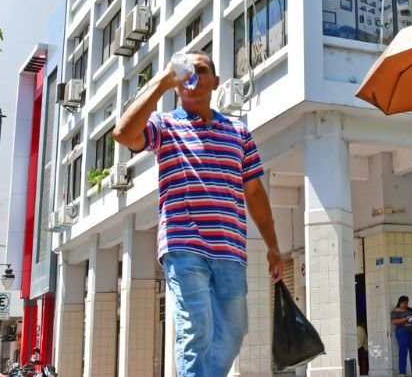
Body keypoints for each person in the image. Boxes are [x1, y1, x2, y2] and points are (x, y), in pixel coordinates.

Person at [112, 51, 283, 377]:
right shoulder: (165, 126)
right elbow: (124, 134)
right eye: (185, 72)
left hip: (231, 250)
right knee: (196, 328)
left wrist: (273, 247)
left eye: (200, 71)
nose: (192, 77)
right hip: (183, 243)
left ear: (216, 82)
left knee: (234, 331)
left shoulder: (238, 132)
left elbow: (255, 194)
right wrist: (162, 81)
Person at [391, 296, 412, 375]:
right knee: (403, 351)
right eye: (405, 303)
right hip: (402, 331)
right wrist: (405, 319)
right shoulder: (395, 311)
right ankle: (402, 372)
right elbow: (394, 322)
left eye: (407, 303)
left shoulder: (410, 309)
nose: (406, 305)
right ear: (400, 303)